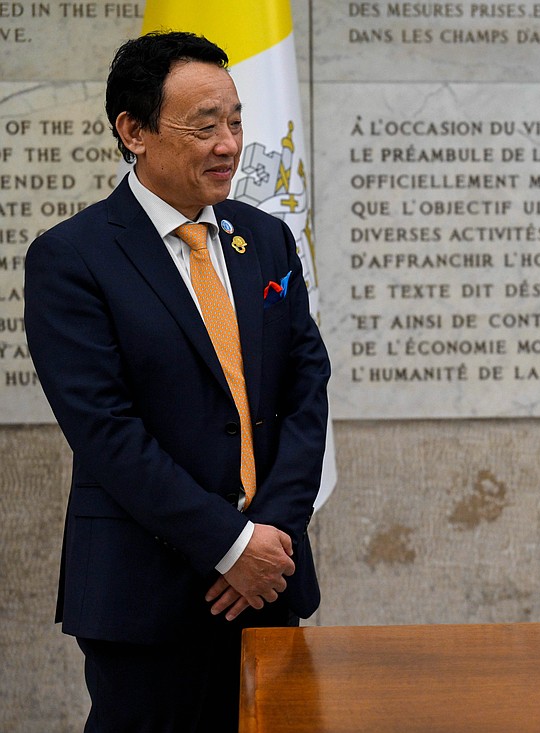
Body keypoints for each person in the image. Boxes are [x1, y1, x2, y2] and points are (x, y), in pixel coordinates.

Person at [24, 31, 331, 731]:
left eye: (235, 120)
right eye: (204, 126)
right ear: (132, 130)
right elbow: (106, 431)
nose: (229, 144)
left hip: (270, 584)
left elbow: (307, 390)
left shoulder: (268, 239)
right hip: (147, 600)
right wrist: (229, 543)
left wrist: (271, 535)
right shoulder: (71, 259)